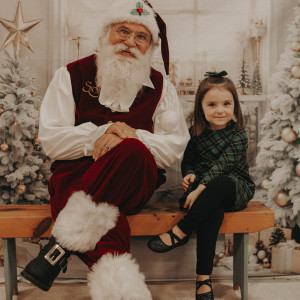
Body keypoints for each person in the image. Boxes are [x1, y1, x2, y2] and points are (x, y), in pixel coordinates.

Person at [21, 1, 189, 299]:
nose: (129, 42)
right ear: (105, 34)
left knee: (134, 151)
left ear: (150, 47)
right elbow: (51, 140)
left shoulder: (162, 87)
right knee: (110, 211)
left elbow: (172, 148)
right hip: (74, 179)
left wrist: (127, 137)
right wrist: (98, 134)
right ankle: (122, 292)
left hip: (132, 182)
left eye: (141, 37)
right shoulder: (70, 74)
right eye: (123, 31)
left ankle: (62, 243)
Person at [147, 71, 255, 300]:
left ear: (235, 106)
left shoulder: (238, 135)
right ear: (201, 107)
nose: (220, 110)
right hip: (205, 196)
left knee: (221, 182)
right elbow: (189, 161)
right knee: (211, 212)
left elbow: (222, 167)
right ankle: (203, 279)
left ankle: (181, 231)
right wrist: (190, 176)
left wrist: (201, 187)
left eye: (227, 103)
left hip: (234, 188)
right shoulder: (195, 135)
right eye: (212, 104)